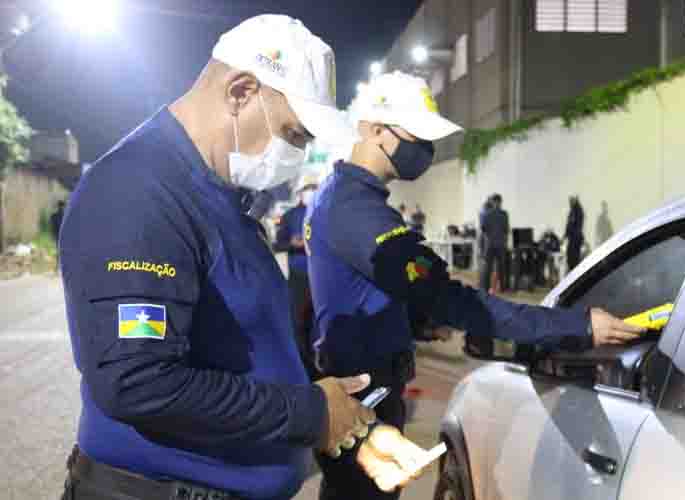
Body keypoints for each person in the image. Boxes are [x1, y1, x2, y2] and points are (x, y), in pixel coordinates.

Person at [59, 16, 427, 500]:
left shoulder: (218, 196)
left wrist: (342, 420)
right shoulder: (139, 193)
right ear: (240, 92)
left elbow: (245, 349)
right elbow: (136, 381)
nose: (299, 152)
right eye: (295, 134)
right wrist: (313, 413)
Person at [304, 71, 643, 500]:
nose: (425, 150)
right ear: (373, 130)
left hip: (361, 382)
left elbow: (359, 288)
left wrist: (416, 320)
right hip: (362, 396)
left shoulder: (339, 198)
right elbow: (454, 300)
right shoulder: (358, 212)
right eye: (416, 136)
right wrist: (575, 326)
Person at [275, 172, 321, 377]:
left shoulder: (324, 214)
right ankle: (301, 365)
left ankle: (318, 363)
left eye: (314, 188)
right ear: (301, 192)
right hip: (299, 274)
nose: (311, 192)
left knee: (319, 321)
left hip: (321, 275)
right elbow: (278, 243)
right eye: (308, 188)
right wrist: (292, 244)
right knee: (298, 320)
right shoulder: (290, 216)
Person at [562, 195, 585, 271]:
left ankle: (575, 272)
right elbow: (569, 226)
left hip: (575, 238)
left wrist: (565, 236)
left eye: (571, 201)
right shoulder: (573, 211)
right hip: (573, 238)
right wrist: (564, 237)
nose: (570, 203)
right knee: (571, 257)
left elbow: (573, 225)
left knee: (573, 258)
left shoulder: (576, 211)